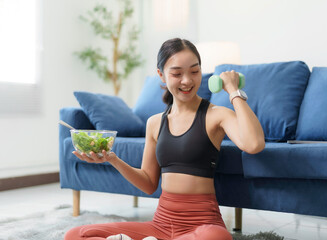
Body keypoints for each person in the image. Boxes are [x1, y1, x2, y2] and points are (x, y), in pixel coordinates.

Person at [64, 38, 265, 240]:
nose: (187, 80)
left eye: (194, 72)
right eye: (177, 73)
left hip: (203, 225)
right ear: (161, 75)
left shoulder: (216, 115)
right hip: (160, 225)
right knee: (75, 234)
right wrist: (112, 159)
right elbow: (149, 183)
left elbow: (254, 144)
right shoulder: (154, 123)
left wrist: (233, 91)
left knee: (216, 236)